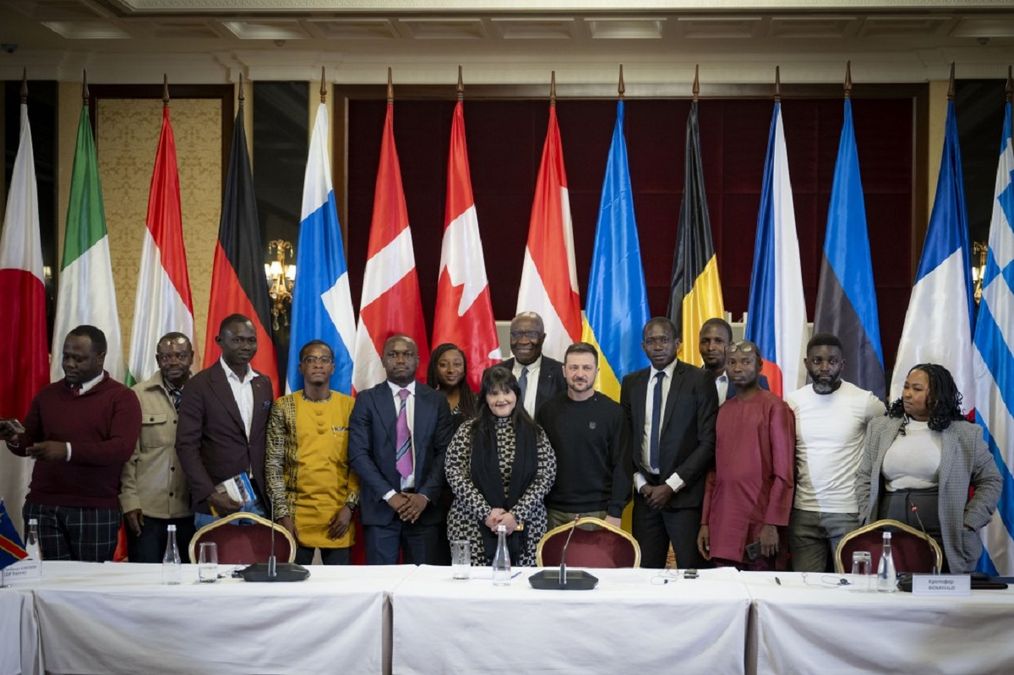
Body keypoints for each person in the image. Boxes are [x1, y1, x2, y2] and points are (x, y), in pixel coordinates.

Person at [1, 325, 141, 561]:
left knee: (87, 582)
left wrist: (67, 451)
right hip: (43, 507)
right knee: (45, 580)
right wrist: (13, 437)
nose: (69, 364)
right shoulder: (47, 395)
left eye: (79, 359)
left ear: (100, 358)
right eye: (66, 356)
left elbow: (120, 449)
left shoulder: (122, 397)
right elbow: (28, 444)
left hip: (95, 510)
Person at [856, 364, 1000, 574]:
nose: (907, 393)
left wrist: (969, 522)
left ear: (937, 396)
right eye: (906, 386)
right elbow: (864, 476)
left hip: (943, 534)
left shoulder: (965, 434)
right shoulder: (880, 428)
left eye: (916, 389)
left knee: (938, 592)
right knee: (890, 591)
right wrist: (865, 515)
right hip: (886, 531)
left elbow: (991, 480)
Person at [620, 317, 718, 569]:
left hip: (685, 499)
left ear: (677, 343)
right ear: (643, 346)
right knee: (646, 575)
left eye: (664, 340)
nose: (657, 346)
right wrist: (641, 484)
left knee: (692, 575)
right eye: (651, 341)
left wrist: (671, 486)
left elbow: (708, 442)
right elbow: (626, 439)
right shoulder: (631, 383)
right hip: (646, 499)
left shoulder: (699, 380)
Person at [349, 334, 453, 565]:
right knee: (381, 582)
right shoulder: (367, 400)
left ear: (417, 360)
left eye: (407, 354)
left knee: (422, 583)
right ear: (383, 361)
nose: (400, 360)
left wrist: (424, 496)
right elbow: (358, 454)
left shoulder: (436, 401)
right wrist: (390, 496)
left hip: (424, 511)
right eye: (393, 354)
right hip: (381, 510)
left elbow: (445, 453)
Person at [786, 333, 885, 572]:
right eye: (817, 361)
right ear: (806, 363)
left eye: (832, 361)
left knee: (851, 588)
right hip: (803, 513)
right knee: (806, 588)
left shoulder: (864, 401)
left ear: (842, 364)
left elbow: (888, 433)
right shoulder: (793, 401)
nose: (824, 367)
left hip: (847, 512)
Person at [445, 366, 556, 566]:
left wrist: (516, 515)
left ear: (516, 395)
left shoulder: (535, 432)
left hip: (526, 524)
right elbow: (455, 473)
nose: (501, 399)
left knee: (521, 584)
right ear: (485, 398)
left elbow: (546, 476)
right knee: (475, 584)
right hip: (470, 523)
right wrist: (486, 513)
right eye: (494, 393)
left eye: (507, 392)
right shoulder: (468, 431)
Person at [697, 341, 794, 570]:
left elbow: (784, 474)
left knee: (760, 588)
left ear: (759, 366)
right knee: (724, 588)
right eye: (732, 362)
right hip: (723, 521)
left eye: (745, 362)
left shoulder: (776, 407)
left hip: (759, 521)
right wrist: (705, 522)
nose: (738, 368)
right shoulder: (723, 410)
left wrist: (773, 523)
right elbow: (713, 473)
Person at [176, 314, 274, 528]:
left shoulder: (263, 384)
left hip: (259, 498)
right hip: (218, 501)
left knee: (258, 552)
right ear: (219, 341)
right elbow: (186, 446)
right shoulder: (199, 385)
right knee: (214, 552)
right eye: (237, 340)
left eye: (251, 340)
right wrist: (209, 494)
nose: (245, 346)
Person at [266, 340, 358, 565]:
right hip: (296, 517)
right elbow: (273, 465)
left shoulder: (350, 407)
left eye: (324, 360)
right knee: (296, 584)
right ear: (301, 367)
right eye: (311, 360)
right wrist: (282, 515)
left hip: (339, 516)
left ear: (333, 367)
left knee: (339, 584)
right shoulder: (283, 407)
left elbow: (359, 462)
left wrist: (349, 507)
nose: (318, 365)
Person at [119, 332, 195, 562]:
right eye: (166, 356)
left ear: (191, 357)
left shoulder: (205, 392)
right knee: (144, 578)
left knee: (189, 580)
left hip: (192, 511)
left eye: (180, 355)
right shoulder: (137, 396)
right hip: (146, 511)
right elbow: (127, 456)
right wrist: (129, 502)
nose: (173, 362)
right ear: (157, 359)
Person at [536, 342, 626, 530]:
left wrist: (615, 512)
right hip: (553, 512)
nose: (580, 374)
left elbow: (622, 466)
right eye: (573, 367)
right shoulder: (547, 411)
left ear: (596, 371)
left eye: (587, 368)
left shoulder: (613, 412)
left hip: (599, 513)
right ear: (564, 371)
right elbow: (538, 462)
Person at [500, 311, 565, 418]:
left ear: (543, 338)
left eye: (531, 334)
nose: (523, 341)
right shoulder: (495, 372)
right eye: (516, 334)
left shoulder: (561, 373)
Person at [698, 317, 767, 405]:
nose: (711, 347)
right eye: (705, 341)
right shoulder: (688, 381)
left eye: (718, 341)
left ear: (730, 346)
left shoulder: (756, 381)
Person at [427, 342, 478, 432]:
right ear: (434, 368)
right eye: (443, 365)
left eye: (457, 364)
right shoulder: (424, 401)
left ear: (464, 368)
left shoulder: (477, 401)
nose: (451, 370)